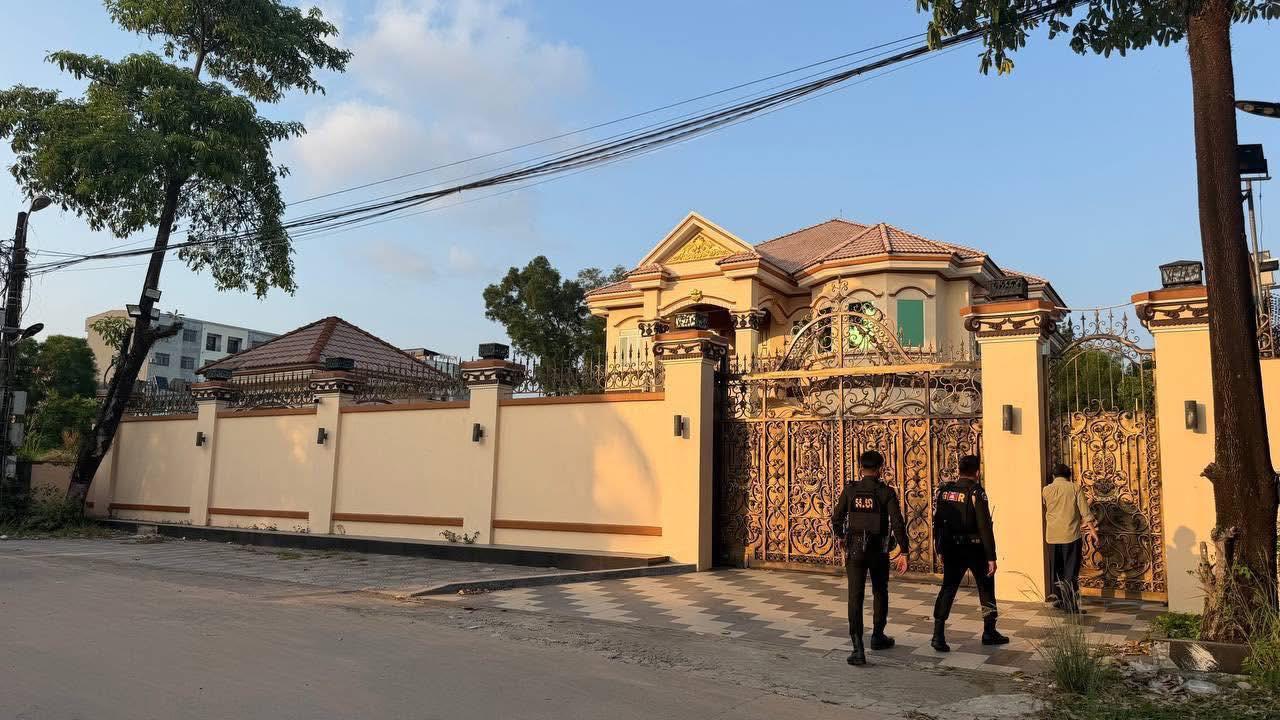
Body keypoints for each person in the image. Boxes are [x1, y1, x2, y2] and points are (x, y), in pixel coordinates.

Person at [830, 450, 909, 666]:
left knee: (855, 597)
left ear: (860, 468)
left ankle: (857, 648)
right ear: (880, 469)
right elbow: (897, 522)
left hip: (855, 550)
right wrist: (904, 551)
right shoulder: (885, 492)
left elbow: (836, 518)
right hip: (878, 550)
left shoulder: (850, 490)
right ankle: (877, 636)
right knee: (880, 591)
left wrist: (841, 537)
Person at [930, 454, 1007, 652]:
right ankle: (989, 631)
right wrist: (991, 557)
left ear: (959, 470)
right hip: (975, 548)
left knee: (948, 588)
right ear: (977, 472)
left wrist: (940, 548)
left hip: (952, 548)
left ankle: (938, 634)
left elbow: (938, 522)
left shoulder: (945, 491)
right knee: (986, 588)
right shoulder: (976, 492)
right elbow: (984, 526)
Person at [1042, 463, 1096, 613]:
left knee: (1057, 569)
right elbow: (1085, 512)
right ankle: (1071, 605)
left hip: (1052, 536)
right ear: (1069, 475)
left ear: (1053, 476)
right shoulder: (1075, 488)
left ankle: (1059, 599)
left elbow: (1050, 507)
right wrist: (1093, 531)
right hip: (1070, 535)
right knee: (1070, 571)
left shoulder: (1046, 490)